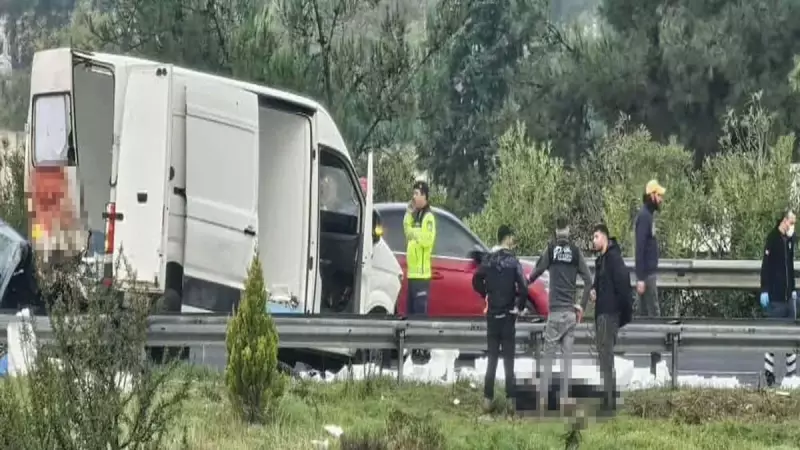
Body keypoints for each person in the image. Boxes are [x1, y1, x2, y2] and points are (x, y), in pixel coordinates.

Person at [528, 217, 592, 412]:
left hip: (555, 313)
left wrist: (524, 284)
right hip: (570, 314)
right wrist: (581, 306)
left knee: (548, 356)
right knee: (567, 358)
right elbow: (589, 280)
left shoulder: (551, 250)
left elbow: (536, 271)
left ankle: (544, 400)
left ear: (556, 231)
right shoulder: (575, 252)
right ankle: (564, 399)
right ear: (569, 230)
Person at [471, 225, 527, 413]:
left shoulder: (489, 260)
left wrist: (486, 292)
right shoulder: (513, 262)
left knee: (492, 359)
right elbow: (524, 287)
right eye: (512, 237)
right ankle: (511, 402)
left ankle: (487, 399)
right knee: (509, 361)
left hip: (492, 315)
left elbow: (476, 280)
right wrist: (518, 306)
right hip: (508, 316)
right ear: (507, 239)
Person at [589, 223, 633, 413]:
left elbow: (624, 288)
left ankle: (610, 403)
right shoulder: (602, 260)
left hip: (609, 314)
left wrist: (622, 315)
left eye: (596, 237)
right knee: (603, 357)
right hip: (601, 314)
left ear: (605, 237)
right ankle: (607, 399)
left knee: (606, 357)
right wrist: (593, 290)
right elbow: (599, 284)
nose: (593, 240)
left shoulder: (614, 259)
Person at [760, 209, 797, 387]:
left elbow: (790, 266)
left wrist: (794, 289)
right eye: (791, 222)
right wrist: (764, 289)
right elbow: (765, 267)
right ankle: (769, 373)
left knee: (791, 337)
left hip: (788, 295)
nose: (793, 226)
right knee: (773, 336)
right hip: (775, 296)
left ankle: (792, 376)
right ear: (783, 221)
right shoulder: (773, 238)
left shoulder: (790, 240)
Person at [634, 179, 665, 375]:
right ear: (651, 195)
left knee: (644, 316)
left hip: (648, 275)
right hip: (647, 276)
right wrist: (641, 278)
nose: (661, 199)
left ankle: (655, 364)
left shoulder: (648, 216)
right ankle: (656, 364)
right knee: (654, 317)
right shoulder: (644, 217)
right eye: (659, 195)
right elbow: (639, 249)